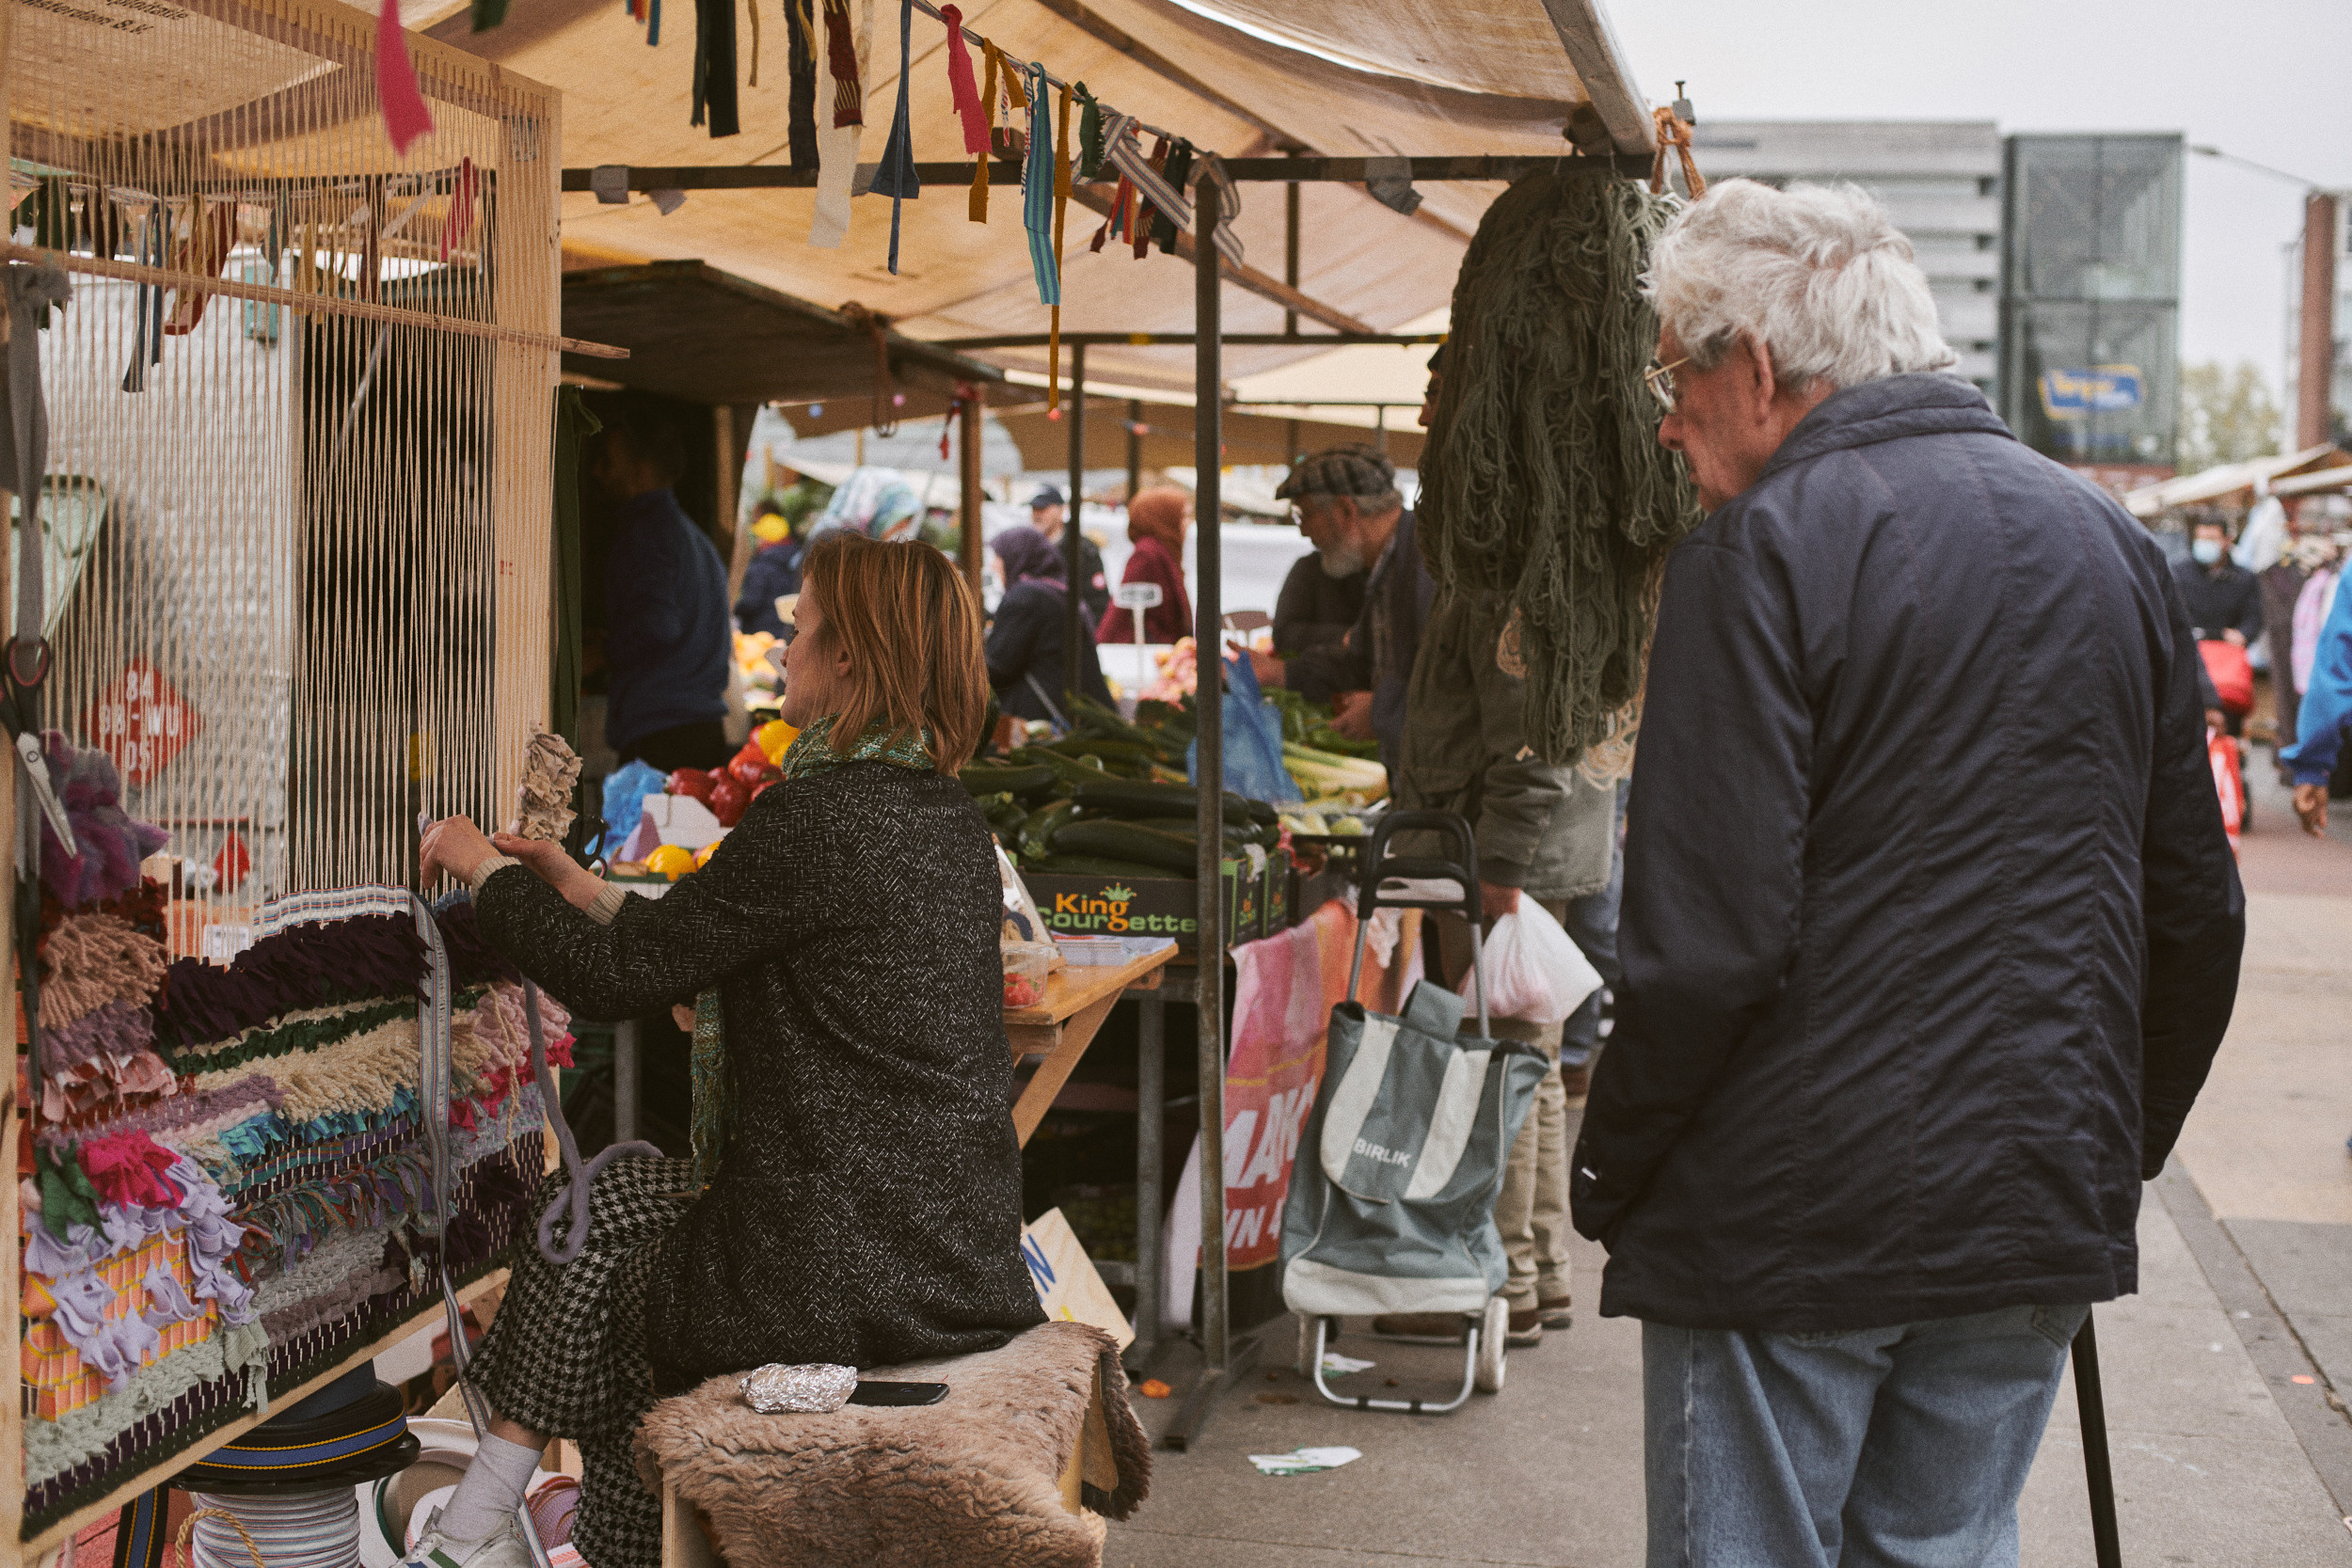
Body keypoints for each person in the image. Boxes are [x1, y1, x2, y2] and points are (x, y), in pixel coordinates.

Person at [1570, 180, 2243, 1568]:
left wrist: (1612, 1166)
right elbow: (2197, 914)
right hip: (2031, 1192)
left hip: (1785, 1214)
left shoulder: (1756, 553)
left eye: (1673, 374)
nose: (1667, 416)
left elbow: (1706, 943)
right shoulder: (2113, 546)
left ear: (1751, 365)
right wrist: (2104, 1150)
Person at [406, 532, 1047, 1568]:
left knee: (615, 1272)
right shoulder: (934, 813)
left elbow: (620, 982)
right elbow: (705, 934)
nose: (782, 648)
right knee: (606, 1215)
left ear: (850, 658)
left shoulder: (822, 816)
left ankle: (543, 1536)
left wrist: (486, 870)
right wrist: (574, 885)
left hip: (846, 1267)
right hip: (946, 1244)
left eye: (800, 631)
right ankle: (487, 1524)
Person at [1374, 588, 1616, 1347]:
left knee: (1498, 1068)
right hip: (1524, 856)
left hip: (1499, 860)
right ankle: (1536, 1270)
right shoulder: (1539, 578)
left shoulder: (1508, 591)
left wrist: (1501, 865)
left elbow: (1533, 750)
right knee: (1528, 1064)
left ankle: (1501, 1283)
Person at [1250, 446, 1433, 775]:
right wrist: (1279, 673)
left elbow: (1450, 683)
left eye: (1305, 514)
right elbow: (1357, 664)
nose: (1303, 531)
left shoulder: (1426, 564)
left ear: (1346, 510)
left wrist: (1381, 711)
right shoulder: (1385, 569)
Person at [593, 408, 733, 772]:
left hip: (663, 741)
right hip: (698, 734)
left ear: (640, 472)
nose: (596, 473)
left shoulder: (646, 535)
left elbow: (656, 626)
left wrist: (601, 651)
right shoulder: (692, 537)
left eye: (607, 463)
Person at [986, 525, 1113, 725]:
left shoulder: (1027, 596)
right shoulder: (1058, 588)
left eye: (999, 557)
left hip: (1047, 718)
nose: (994, 565)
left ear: (1017, 556)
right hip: (1080, 709)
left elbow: (998, 666)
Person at [1096, 487, 1194, 644]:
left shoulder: (1163, 551)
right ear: (1165, 518)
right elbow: (1121, 612)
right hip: (1144, 654)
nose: (1189, 522)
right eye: (1184, 515)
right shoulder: (1148, 553)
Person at [2173, 512, 2265, 648]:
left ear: (2227, 541)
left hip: (2228, 653)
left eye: (2211, 539)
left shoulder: (2243, 578)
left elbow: (2254, 616)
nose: (2204, 544)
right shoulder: (2178, 574)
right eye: (2200, 539)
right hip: (2189, 650)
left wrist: (2243, 634)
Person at [1030, 484, 1112, 626]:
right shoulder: (1027, 549)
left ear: (1061, 510)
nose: (1037, 514)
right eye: (1034, 509)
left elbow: (1098, 602)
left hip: (1073, 634)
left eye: (1043, 509)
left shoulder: (1082, 550)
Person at [734, 512, 803, 639]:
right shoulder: (796, 561)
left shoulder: (761, 565)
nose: (758, 542)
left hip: (759, 634)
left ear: (767, 539)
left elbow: (751, 603)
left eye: (760, 537)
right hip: (786, 631)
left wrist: (733, 606)